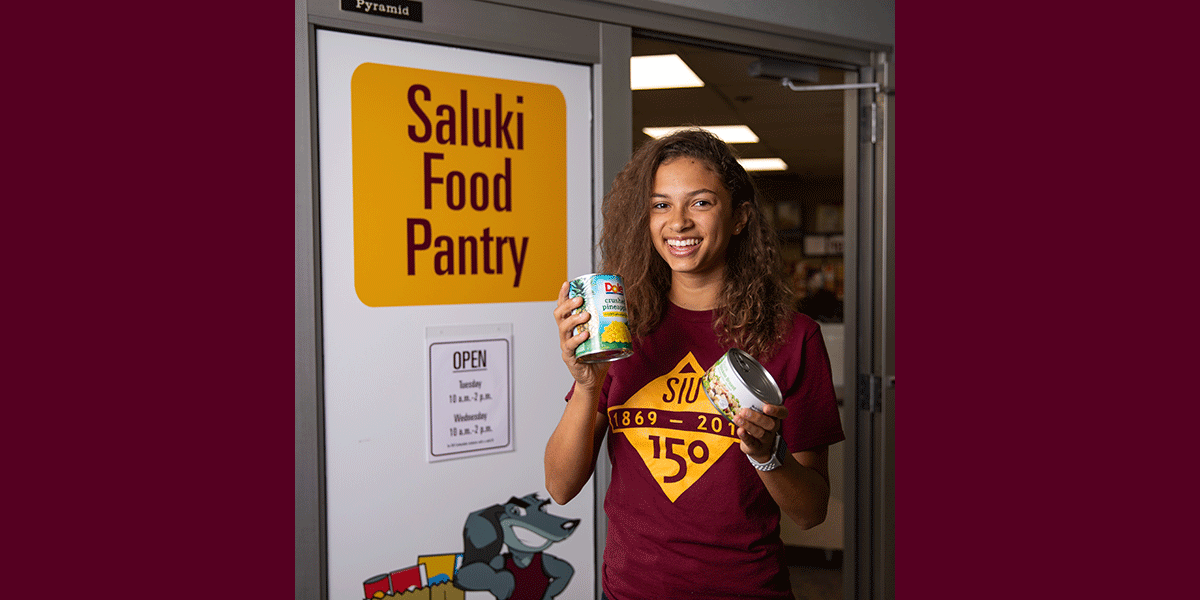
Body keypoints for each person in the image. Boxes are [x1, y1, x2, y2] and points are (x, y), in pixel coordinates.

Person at [544, 128, 845, 600]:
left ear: (740, 217)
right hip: (630, 591)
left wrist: (767, 454)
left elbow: (811, 511)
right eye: (661, 204)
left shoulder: (792, 337)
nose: (678, 222)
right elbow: (560, 487)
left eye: (700, 203)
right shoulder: (623, 327)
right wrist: (586, 385)